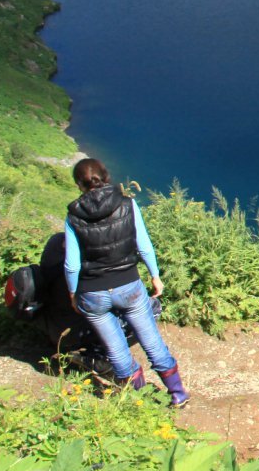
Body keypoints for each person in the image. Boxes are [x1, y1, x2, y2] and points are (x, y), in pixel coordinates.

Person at [63, 157, 190, 407]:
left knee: (116, 351)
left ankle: (139, 399)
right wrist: (155, 275)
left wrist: (72, 293)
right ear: (106, 177)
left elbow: (72, 264)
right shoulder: (127, 204)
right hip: (128, 286)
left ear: (79, 184)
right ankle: (177, 394)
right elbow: (144, 246)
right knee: (152, 342)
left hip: (93, 292)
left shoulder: (73, 215)